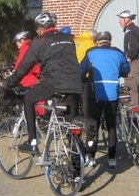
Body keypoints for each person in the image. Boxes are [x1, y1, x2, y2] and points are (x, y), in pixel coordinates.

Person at [6, 12, 83, 154]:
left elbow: (24, 66)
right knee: (70, 123)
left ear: (41, 28)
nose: (37, 31)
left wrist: (9, 82)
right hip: (74, 83)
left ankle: (32, 142)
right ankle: (77, 166)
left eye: (37, 28)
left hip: (53, 82)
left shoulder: (39, 41)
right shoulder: (68, 39)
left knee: (28, 99)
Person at [80, 31, 130, 169]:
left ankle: (91, 157)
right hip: (112, 96)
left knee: (93, 125)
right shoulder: (118, 53)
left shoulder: (91, 52)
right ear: (110, 41)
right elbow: (126, 69)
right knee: (111, 125)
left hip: (95, 95)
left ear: (97, 42)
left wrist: (84, 77)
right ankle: (112, 158)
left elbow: (81, 70)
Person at [117, 10, 139, 121]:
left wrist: (129, 58)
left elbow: (135, 46)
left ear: (127, 20)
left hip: (136, 63)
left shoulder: (130, 31)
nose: (118, 22)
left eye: (120, 19)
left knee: (131, 90)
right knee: (138, 91)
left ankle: (134, 117)